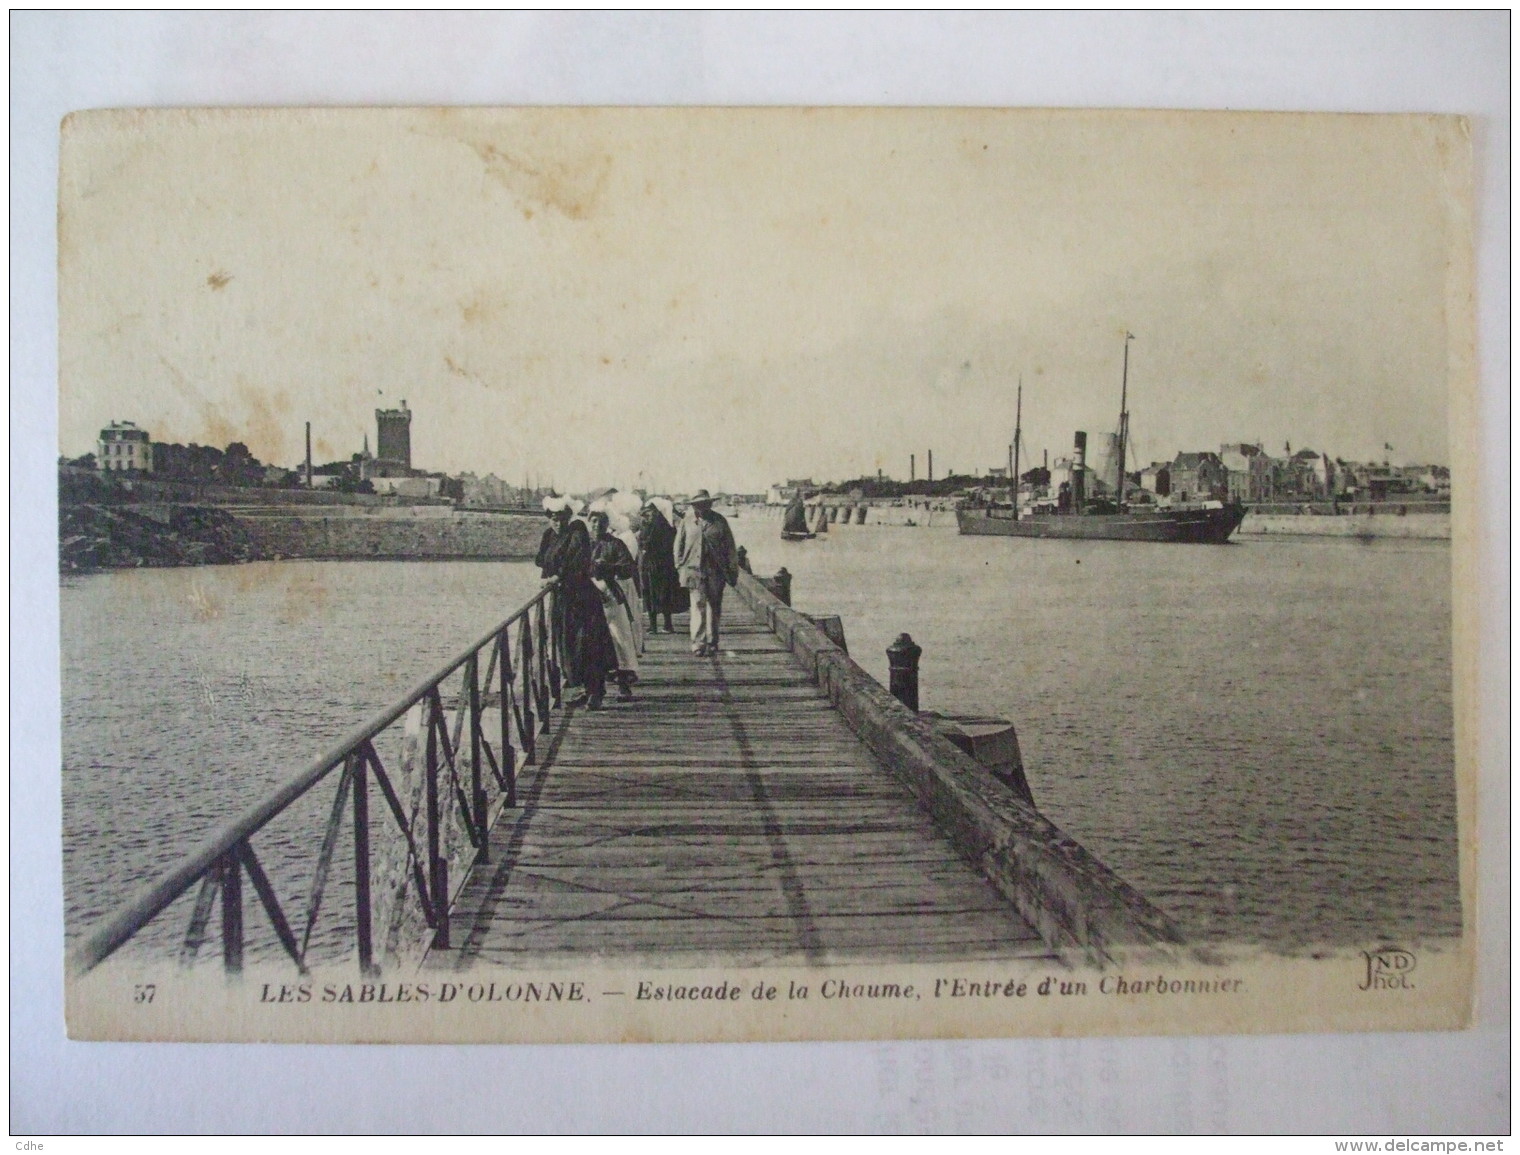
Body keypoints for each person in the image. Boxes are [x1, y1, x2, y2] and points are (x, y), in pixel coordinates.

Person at [538, 497, 617, 709]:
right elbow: (541, 560)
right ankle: (584, 688)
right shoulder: (550, 535)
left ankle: (596, 692)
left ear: (568, 516)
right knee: (569, 646)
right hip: (564, 600)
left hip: (582, 598)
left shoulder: (577, 530)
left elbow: (578, 560)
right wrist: (550, 574)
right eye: (553, 518)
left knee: (589, 644)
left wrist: (557, 575)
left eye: (561, 518)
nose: (557, 523)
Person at [674, 489, 738, 657]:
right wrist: (679, 565)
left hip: (716, 571)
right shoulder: (687, 522)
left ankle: (712, 640)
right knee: (697, 605)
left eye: (705, 504)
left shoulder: (719, 521)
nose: (702, 507)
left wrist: (733, 569)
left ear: (710, 504)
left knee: (714, 606)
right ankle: (698, 643)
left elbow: (730, 548)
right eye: (699, 504)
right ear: (694, 506)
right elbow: (678, 546)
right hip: (694, 571)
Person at [588, 509, 640, 699]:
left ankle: (624, 684)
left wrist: (608, 567)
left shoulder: (615, 544)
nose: (596, 526)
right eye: (593, 521)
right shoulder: (584, 543)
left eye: (601, 522)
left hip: (610, 594)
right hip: (588, 595)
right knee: (592, 641)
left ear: (607, 524)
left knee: (619, 637)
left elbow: (629, 567)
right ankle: (592, 688)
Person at [637, 499, 680, 634]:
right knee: (662, 593)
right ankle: (665, 625)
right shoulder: (666, 526)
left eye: (648, 513)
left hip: (655, 564)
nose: (646, 516)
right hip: (661, 564)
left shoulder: (654, 526)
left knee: (652, 594)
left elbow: (645, 543)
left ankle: (655, 625)